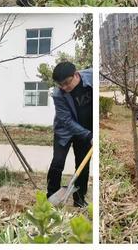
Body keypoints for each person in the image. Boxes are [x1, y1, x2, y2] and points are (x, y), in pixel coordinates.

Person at [47, 62, 93, 207]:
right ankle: (51, 197)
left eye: (67, 83)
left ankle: (79, 199)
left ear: (76, 74)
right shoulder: (58, 94)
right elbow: (66, 120)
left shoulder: (91, 77)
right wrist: (89, 136)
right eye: (61, 85)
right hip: (65, 132)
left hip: (87, 131)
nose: (64, 88)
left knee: (83, 165)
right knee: (58, 162)